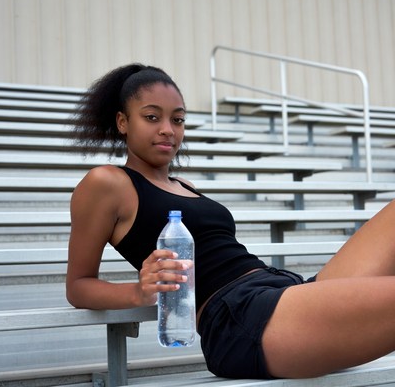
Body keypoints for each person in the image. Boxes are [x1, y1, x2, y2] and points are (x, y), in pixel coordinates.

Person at [66, 63, 395, 380]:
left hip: (281, 292)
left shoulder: (186, 186)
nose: (168, 129)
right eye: (152, 117)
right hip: (238, 321)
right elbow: (78, 285)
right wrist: (138, 292)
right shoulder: (107, 183)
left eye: (178, 120)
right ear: (123, 122)